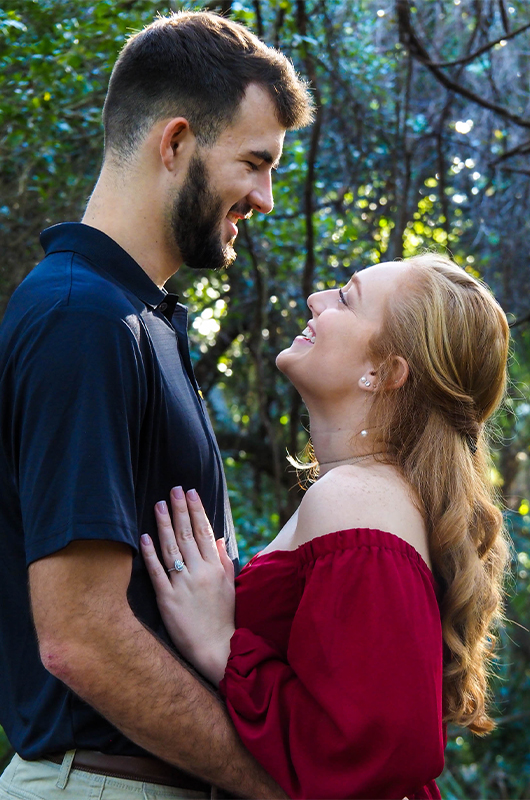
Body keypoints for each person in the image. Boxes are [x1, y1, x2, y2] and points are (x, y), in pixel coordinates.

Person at [0, 11, 313, 800]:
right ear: (174, 144)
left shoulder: (137, 321)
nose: (266, 197)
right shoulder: (83, 320)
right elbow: (81, 637)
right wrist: (274, 787)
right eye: (255, 162)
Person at [142, 255, 511, 800]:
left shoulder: (357, 499)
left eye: (346, 297)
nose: (317, 300)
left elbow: (378, 746)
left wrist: (220, 644)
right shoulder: (368, 495)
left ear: (385, 372)